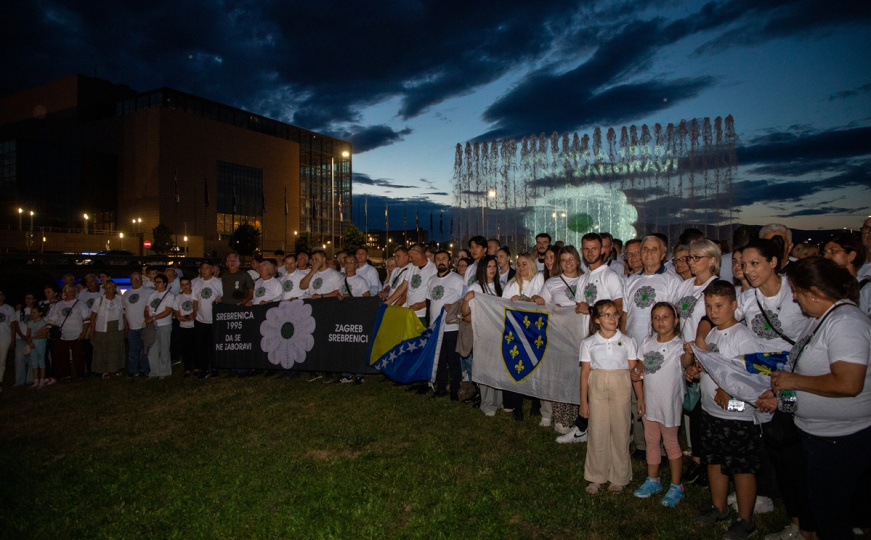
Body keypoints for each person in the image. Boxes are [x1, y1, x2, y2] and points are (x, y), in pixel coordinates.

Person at [759, 257, 871, 540]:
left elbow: (848, 383)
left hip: (840, 439)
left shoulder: (846, 323)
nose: (794, 297)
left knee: (832, 514)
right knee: (826, 506)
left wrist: (793, 381)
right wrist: (781, 391)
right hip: (818, 435)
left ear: (815, 291)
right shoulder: (820, 319)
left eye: (797, 291)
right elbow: (807, 370)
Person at [685, 280, 762, 540]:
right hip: (711, 411)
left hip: (737, 415)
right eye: (709, 306)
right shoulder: (712, 335)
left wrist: (728, 389)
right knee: (715, 461)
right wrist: (696, 372)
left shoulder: (743, 337)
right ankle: (719, 508)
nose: (713, 311)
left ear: (734, 305)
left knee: (741, 467)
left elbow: (753, 377)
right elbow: (712, 368)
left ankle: (746, 519)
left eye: (719, 306)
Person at [580, 299, 641, 495]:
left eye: (615, 314)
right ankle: (596, 476)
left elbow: (634, 372)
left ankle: (619, 476)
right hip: (598, 385)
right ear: (597, 320)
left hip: (620, 385)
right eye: (607, 315)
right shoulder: (589, 343)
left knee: (621, 429)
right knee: (598, 430)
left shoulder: (628, 342)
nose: (613, 318)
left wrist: (641, 398)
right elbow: (585, 374)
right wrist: (583, 402)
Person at [632, 302, 686, 506]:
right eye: (656, 317)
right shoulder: (647, 342)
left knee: (671, 444)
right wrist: (640, 395)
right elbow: (639, 367)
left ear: (676, 320)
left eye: (665, 317)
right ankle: (653, 480)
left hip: (669, 404)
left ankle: (676, 486)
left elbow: (687, 363)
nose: (660, 321)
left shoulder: (679, 346)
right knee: (651, 441)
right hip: (650, 403)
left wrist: (690, 353)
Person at [738, 237, 807, 352]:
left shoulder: (795, 289)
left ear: (773, 262)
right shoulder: (748, 296)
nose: (747, 271)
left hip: (795, 360)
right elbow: (723, 316)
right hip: (759, 360)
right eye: (744, 265)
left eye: (754, 263)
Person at [501, 252, 546, 422]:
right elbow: (501, 307)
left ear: (532, 264)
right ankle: (517, 406)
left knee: (535, 365)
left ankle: (536, 403)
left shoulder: (540, 281)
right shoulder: (512, 285)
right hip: (517, 334)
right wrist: (511, 302)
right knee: (517, 366)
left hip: (535, 332)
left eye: (525, 264)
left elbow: (546, 303)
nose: (521, 267)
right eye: (518, 264)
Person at [461, 255, 503, 416]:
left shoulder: (501, 287)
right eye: (489, 266)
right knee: (486, 369)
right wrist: (466, 300)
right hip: (482, 335)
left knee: (498, 368)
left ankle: (499, 401)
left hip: (498, 334)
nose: (492, 270)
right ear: (482, 269)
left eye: (494, 266)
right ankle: (487, 403)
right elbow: (465, 313)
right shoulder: (476, 287)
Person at [428, 250, 465, 399]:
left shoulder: (457, 279)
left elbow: (464, 301)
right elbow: (429, 302)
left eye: (444, 258)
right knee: (439, 359)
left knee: (453, 359)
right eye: (438, 259)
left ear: (449, 262)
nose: (441, 261)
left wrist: (453, 307)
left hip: (451, 327)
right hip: (436, 328)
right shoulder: (431, 280)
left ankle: (455, 389)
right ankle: (441, 388)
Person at [47, 284, 91, 380]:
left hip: (76, 333)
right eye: (69, 291)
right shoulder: (58, 305)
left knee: (78, 356)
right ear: (65, 293)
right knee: (62, 356)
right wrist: (48, 330)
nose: (72, 293)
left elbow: (86, 320)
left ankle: (80, 374)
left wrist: (83, 332)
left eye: (73, 291)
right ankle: (65, 375)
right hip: (62, 335)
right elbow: (52, 319)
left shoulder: (81, 304)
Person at [822, 232, 871, 317]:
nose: (826, 256)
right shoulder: (824, 287)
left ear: (851, 256)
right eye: (824, 252)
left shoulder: (867, 289)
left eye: (833, 251)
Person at [88, 280, 127, 378]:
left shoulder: (119, 299)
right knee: (103, 350)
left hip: (117, 327)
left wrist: (126, 328)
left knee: (116, 349)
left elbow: (123, 315)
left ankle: (115, 369)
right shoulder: (99, 300)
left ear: (114, 289)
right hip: (102, 329)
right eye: (106, 288)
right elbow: (93, 317)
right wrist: (92, 331)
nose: (108, 290)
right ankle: (104, 371)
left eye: (110, 288)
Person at [192, 260, 223, 378]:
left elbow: (222, 296)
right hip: (201, 320)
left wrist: (219, 299)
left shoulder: (217, 282)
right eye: (203, 268)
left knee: (214, 345)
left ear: (212, 270)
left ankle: (215, 367)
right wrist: (195, 314)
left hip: (214, 320)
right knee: (202, 346)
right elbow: (195, 300)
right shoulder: (197, 283)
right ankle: (203, 368)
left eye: (207, 268)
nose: (205, 270)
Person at [146, 274, 175, 379]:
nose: (156, 284)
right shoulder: (152, 295)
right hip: (152, 326)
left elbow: (167, 311)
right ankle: (154, 371)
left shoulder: (169, 296)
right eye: (156, 282)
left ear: (165, 283)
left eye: (159, 282)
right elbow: (146, 309)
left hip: (164, 325)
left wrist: (153, 318)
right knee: (152, 349)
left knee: (164, 349)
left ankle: (164, 371)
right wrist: (147, 318)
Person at [122, 272, 149, 378]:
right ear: (130, 281)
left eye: (138, 279)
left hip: (144, 326)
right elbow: (124, 311)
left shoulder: (149, 291)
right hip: (132, 328)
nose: (136, 281)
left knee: (145, 351)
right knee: (133, 351)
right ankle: (133, 370)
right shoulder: (126, 294)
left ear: (141, 280)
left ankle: (144, 370)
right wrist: (126, 326)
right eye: (134, 279)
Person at [403, 244, 437, 326]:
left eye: (411, 257)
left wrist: (422, 305)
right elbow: (403, 286)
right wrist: (388, 302)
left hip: (422, 314)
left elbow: (435, 293)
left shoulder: (434, 269)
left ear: (419, 254)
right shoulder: (412, 267)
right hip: (410, 312)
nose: (409, 260)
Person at [173, 277, 196, 377]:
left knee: (196, 347)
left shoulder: (195, 295)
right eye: (182, 285)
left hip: (195, 325)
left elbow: (198, 307)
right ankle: (187, 368)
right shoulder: (178, 297)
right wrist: (179, 317)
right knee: (185, 348)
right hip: (183, 326)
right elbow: (176, 309)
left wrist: (192, 315)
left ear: (190, 284)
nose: (185, 286)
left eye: (187, 284)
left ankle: (196, 367)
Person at [13, 293, 36, 386]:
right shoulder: (19, 312)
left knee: (32, 360)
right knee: (19, 359)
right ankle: (19, 381)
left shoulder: (37, 311)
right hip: (20, 338)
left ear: (34, 300)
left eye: (31, 298)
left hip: (33, 338)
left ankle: (30, 380)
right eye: (27, 298)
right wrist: (22, 336)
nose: (29, 300)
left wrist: (31, 337)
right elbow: (16, 325)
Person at [24, 304, 48, 388]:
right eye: (31, 312)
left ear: (40, 313)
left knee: (41, 361)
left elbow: (44, 335)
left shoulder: (43, 323)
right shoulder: (30, 322)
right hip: (32, 343)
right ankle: (35, 380)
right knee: (34, 362)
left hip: (40, 343)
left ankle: (42, 380)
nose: (32, 314)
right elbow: (28, 334)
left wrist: (33, 338)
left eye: (34, 312)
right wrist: (29, 341)